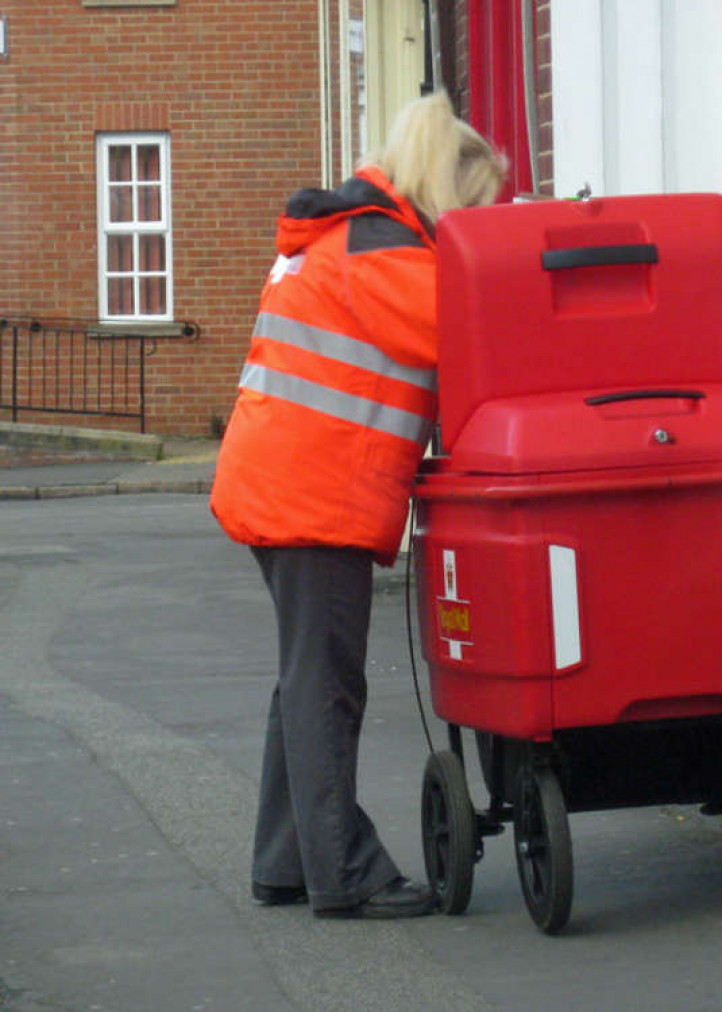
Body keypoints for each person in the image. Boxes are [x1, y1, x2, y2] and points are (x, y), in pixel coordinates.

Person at [210, 92, 505, 919]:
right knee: (327, 686)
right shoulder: (385, 252)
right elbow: (477, 334)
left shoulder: (352, 235)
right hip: (314, 498)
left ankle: (286, 861)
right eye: (476, 211)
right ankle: (347, 872)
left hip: (285, 486)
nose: (471, 231)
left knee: (305, 681)